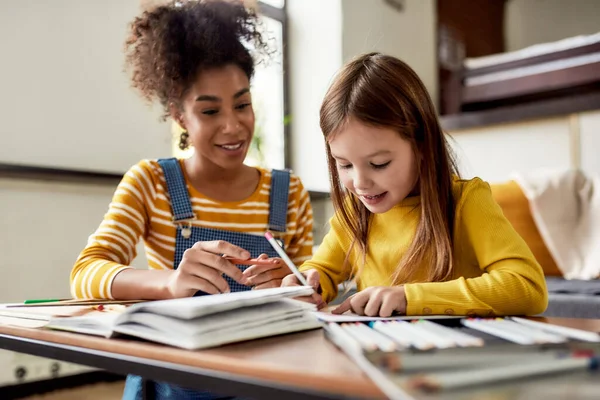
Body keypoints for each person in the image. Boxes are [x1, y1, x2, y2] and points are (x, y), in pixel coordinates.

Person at [70, 1, 313, 398]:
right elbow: (85, 273)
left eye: (242, 104)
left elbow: (310, 290)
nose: (233, 126)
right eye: (209, 111)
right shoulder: (151, 182)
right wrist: (170, 283)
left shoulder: (288, 194)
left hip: (266, 377)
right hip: (173, 380)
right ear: (180, 116)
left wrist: (292, 283)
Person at [283, 52, 547, 318]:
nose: (360, 183)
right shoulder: (354, 211)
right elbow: (324, 270)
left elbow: (527, 287)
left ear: (421, 146)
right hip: (377, 353)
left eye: (379, 164)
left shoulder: (466, 200)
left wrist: (408, 297)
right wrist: (307, 282)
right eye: (344, 165)